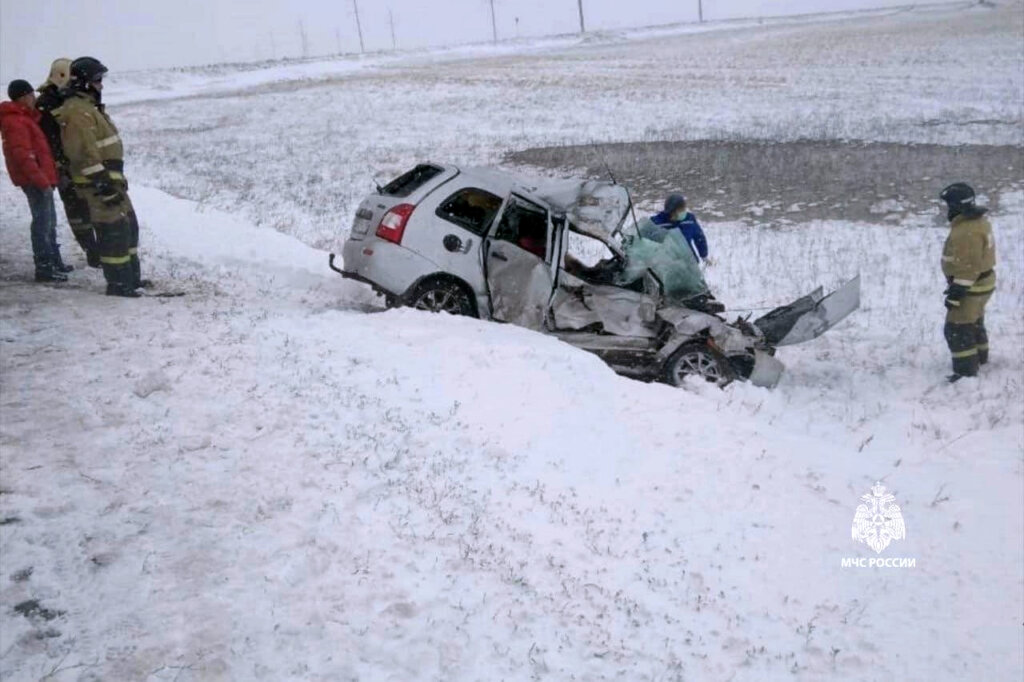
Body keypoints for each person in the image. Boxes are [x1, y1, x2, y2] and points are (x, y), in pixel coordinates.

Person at [54, 57, 147, 297]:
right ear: (83, 82)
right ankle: (118, 285)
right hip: (96, 186)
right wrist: (102, 183)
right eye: (97, 80)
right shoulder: (77, 112)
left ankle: (131, 279)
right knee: (112, 232)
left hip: (110, 183)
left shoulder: (88, 108)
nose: (101, 86)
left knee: (128, 229)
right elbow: (83, 153)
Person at [0, 79, 67, 282]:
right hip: (35, 180)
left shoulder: (24, 118)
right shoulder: (15, 121)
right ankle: (45, 268)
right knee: (42, 223)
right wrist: (41, 180)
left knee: (49, 221)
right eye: (31, 95)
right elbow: (23, 156)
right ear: (23, 97)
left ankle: (53, 262)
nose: (34, 98)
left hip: (40, 178)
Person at [37, 58, 98, 268]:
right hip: (63, 165)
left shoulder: (64, 98)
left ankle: (95, 249)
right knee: (76, 211)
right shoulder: (47, 102)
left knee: (86, 208)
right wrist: (58, 163)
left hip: (76, 162)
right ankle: (92, 250)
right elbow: (48, 137)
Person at [939, 182, 996, 382]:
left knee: (957, 327)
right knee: (974, 321)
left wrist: (956, 293)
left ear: (957, 206)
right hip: (983, 283)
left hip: (972, 286)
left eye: (949, 204)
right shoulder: (978, 222)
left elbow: (968, 267)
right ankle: (980, 357)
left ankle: (965, 372)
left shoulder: (966, 232)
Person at [649, 193, 709, 263]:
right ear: (671, 211)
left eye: (684, 209)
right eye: (680, 210)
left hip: (689, 262)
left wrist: (703, 255)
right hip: (667, 263)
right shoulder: (657, 223)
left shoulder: (689, 220)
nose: (683, 212)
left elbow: (699, 237)